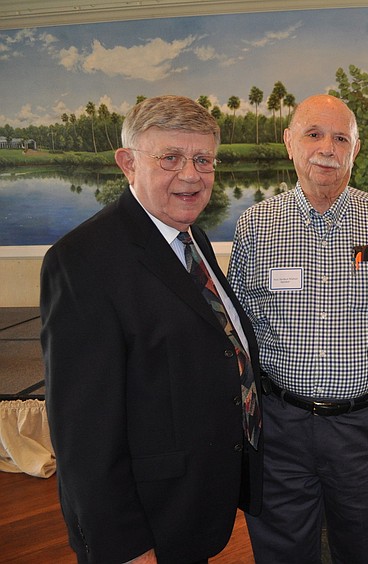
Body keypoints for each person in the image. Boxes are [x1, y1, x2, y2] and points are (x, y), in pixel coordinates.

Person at [40, 95, 263, 564]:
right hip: (143, 529)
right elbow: (84, 435)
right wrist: (126, 548)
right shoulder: (82, 261)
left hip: (188, 509)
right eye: (170, 158)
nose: (191, 175)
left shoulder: (190, 237)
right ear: (127, 163)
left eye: (203, 159)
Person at [228, 93, 368, 563]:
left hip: (359, 428)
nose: (327, 148)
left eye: (341, 138)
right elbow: (239, 329)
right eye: (314, 134)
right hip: (280, 428)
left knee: (361, 550)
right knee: (282, 553)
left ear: (356, 149)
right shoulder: (256, 226)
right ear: (289, 142)